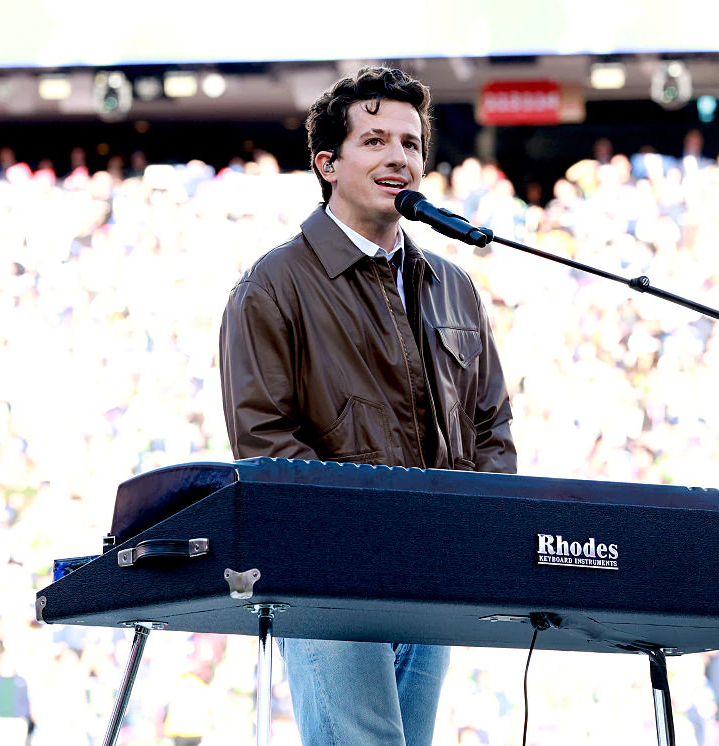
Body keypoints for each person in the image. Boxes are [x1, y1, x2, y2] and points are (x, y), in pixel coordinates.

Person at [218, 66, 516, 746]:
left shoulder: (453, 286)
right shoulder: (272, 285)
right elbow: (266, 442)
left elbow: (490, 425)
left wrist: (471, 530)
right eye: (375, 140)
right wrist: (369, 535)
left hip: (434, 573)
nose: (399, 157)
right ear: (327, 162)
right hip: (331, 577)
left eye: (411, 144)